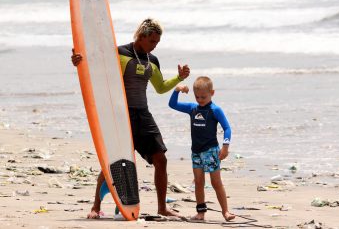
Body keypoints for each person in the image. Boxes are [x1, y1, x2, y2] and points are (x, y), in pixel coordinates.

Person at [71, 18, 190, 218]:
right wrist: (79, 62)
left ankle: (162, 207)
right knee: (113, 162)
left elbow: (160, 88)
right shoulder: (119, 53)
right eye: (152, 41)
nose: (155, 45)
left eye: (157, 42)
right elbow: (96, 71)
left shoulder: (152, 60)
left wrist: (179, 78)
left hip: (143, 115)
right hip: (120, 115)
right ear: (141, 37)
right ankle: (95, 206)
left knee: (161, 158)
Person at [168, 76, 235, 222]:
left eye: (203, 97)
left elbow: (227, 128)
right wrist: (177, 90)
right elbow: (172, 104)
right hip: (196, 152)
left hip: (211, 151)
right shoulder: (193, 108)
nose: (200, 100)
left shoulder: (215, 110)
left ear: (212, 93)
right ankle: (200, 213)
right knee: (198, 182)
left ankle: (226, 212)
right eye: (197, 97)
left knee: (216, 182)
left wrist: (225, 146)